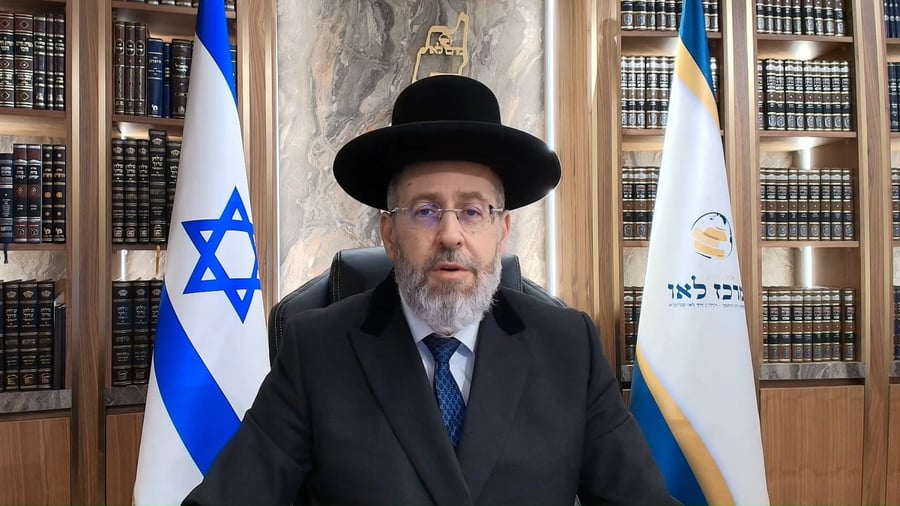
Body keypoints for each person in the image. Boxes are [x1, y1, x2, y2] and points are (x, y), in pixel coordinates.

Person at [183, 75, 678, 505]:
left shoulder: (569, 347)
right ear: (389, 234)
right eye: (424, 211)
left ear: (502, 231)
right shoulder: (316, 351)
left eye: (473, 211)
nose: (450, 235)